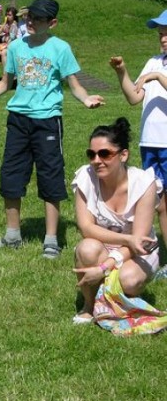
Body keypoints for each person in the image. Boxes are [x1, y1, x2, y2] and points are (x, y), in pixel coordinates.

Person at [0, 0, 104, 258]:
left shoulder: (61, 48)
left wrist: (85, 98)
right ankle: (12, 236)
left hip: (48, 120)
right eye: (29, 17)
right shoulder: (16, 47)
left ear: (52, 23)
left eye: (37, 19)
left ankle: (51, 240)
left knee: (50, 176)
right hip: (18, 119)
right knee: (11, 175)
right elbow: (6, 83)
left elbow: (73, 82)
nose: (30, 21)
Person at [71, 118, 167, 335]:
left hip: (138, 251)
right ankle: (90, 305)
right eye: (91, 154)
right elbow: (86, 228)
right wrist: (126, 238)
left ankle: (117, 301)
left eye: (105, 154)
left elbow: (139, 241)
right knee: (86, 248)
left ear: (123, 155)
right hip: (113, 244)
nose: (97, 160)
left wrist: (104, 268)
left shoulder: (144, 183)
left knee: (128, 280)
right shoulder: (85, 177)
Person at [109, 9, 167, 248]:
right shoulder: (153, 61)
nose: (163, 38)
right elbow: (134, 97)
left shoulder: (155, 69)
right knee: (159, 202)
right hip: (150, 143)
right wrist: (121, 72)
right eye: (161, 34)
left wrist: (156, 76)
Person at [0, 7, 18, 81]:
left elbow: (12, 38)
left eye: (10, 15)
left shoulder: (14, 25)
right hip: (4, 44)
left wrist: (7, 32)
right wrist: (2, 28)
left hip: (11, 44)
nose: (8, 16)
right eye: (7, 15)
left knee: (3, 53)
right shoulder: (5, 24)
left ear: (14, 16)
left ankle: (5, 74)